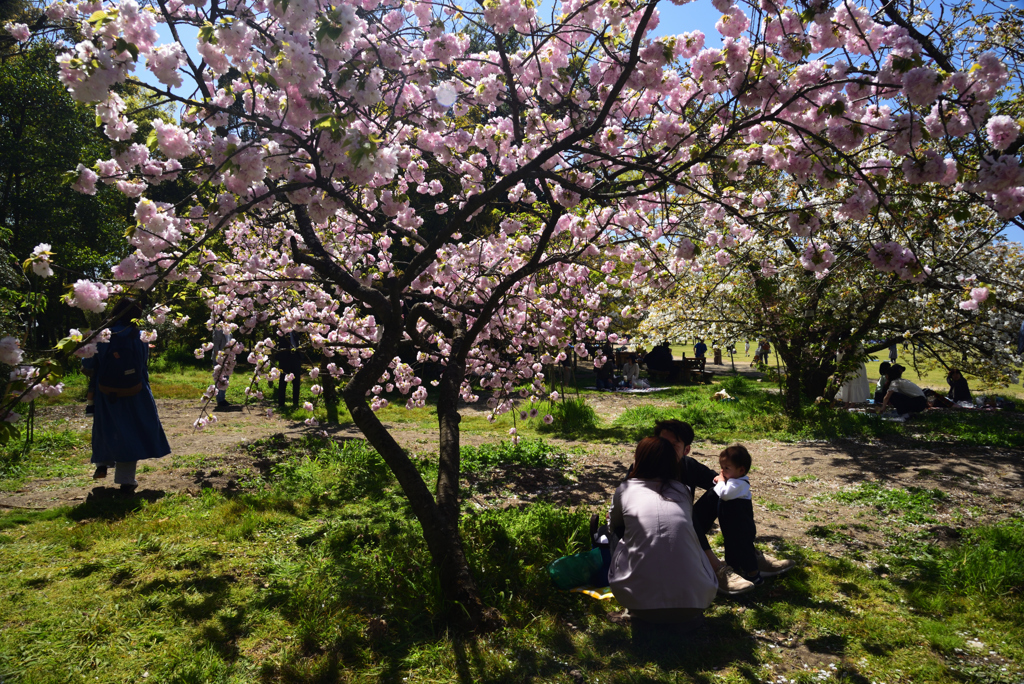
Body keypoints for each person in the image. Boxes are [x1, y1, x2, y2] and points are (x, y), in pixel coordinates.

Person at [654, 419, 794, 594]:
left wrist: (729, 482)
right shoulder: (645, 468)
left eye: (674, 445)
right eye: (663, 443)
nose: (666, 449)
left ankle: (747, 556)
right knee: (682, 510)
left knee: (723, 492)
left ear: (686, 449)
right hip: (660, 535)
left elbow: (720, 481)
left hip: (686, 530)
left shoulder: (687, 464)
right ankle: (715, 568)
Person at [607, 437, 719, 626]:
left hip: (639, 603)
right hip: (697, 602)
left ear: (638, 459)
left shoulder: (625, 490)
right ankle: (685, 604)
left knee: (616, 530)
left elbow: (614, 525)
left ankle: (633, 606)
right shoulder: (682, 490)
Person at [83, 298, 171, 493]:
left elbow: (88, 364)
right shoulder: (141, 336)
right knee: (131, 431)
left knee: (107, 427)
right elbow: (143, 364)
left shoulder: (102, 335)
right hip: (135, 390)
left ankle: (102, 462)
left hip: (106, 392)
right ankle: (126, 480)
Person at [714, 445, 763, 585]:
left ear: (741, 470)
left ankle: (754, 574)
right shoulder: (732, 481)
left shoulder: (740, 484)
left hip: (741, 525)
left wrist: (721, 481)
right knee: (731, 546)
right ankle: (735, 569)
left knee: (744, 548)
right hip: (730, 525)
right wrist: (720, 481)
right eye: (721, 467)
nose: (722, 471)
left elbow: (724, 493)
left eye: (726, 468)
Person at [274, 331, 303, 408]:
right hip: (284, 358)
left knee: (296, 382)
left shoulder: (295, 332)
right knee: (283, 381)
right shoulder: (282, 330)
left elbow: (302, 331)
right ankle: (281, 404)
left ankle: (295, 403)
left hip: (296, 357)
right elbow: (278, 335)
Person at [212, 326, 233, 408]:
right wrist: (218, 357)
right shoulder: (218, 329)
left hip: (228, 357)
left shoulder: (230, 329)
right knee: (219, 377)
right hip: (220, 357)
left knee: (226, 378)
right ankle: (219, 399)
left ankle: (222, 398)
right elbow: (216, 344)